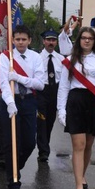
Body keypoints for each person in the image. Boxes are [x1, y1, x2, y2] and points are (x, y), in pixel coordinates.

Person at [57, 26, 95, 189]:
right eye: (84, 37)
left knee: (88, 145)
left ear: (94, 40)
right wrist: (61, 109)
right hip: (76, 102)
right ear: (79, 40)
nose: (87, 40)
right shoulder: (70, 61)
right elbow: (64, 86)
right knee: (79, 145)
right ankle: (78, 186)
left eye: (90, 38)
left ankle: (82, 175)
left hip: (94, 103)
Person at [0, 25, 46, 189]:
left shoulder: (35, 57)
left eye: (23, 39)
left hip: (29, 102)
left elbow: (40, 84)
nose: (20, 42)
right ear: (13, 40)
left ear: (29, 41)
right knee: (12, 144)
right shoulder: (6, 57)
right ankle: (14, 184)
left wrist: (19, 78)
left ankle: (15, 168)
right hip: (11, 100)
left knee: (29, 143)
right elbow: (4, 83)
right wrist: (10, 102)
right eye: (17, 39)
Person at [37, 29, 64, 161]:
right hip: (41, 92)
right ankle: (43, 151)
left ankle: (44, 144)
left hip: (55, 92)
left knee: (49, 122)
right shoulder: (37, 58)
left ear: (56, 42)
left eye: (53, 40)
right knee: (41, 121)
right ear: (44, 41)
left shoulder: (61, 59)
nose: (51, 42)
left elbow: (64, 79)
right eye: (48, 40)